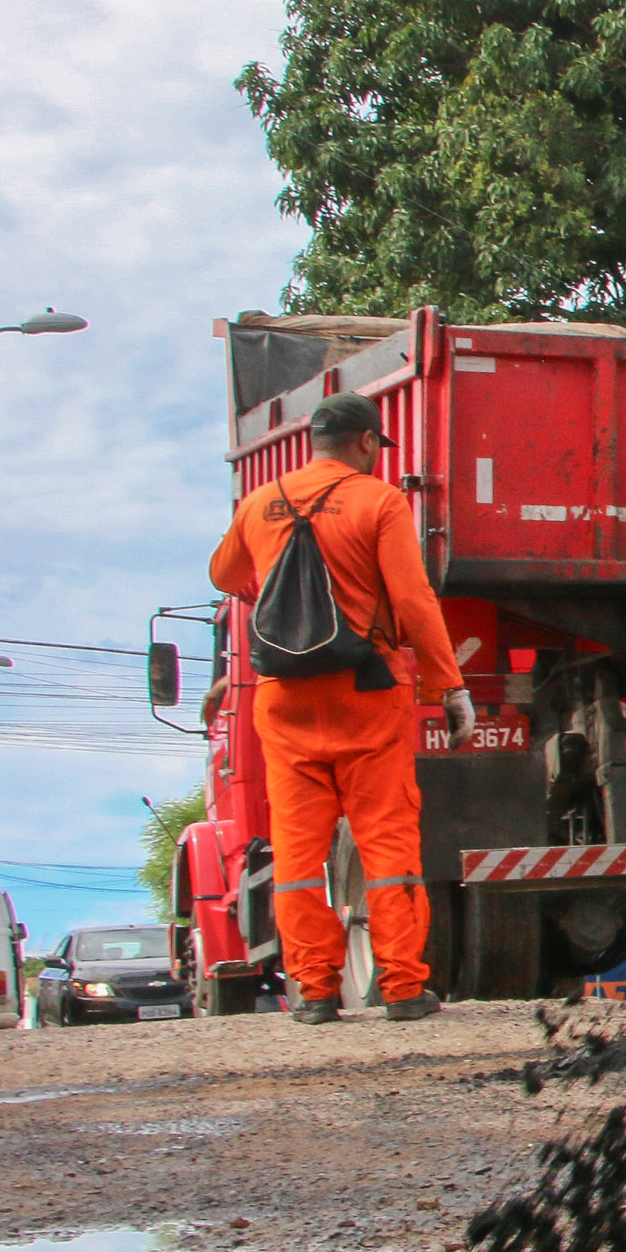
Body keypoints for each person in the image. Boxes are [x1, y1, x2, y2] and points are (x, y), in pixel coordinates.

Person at [207, 392, 475, 1023]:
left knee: (298, 857)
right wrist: (448, 685)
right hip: (365, 692)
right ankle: (404, 989)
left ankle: (316, 994)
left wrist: (267, 576)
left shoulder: (259, 503)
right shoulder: (377, 501)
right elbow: (414, 601)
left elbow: (223, 575)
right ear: (364, 444)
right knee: (385, 845)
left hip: (285, 701)